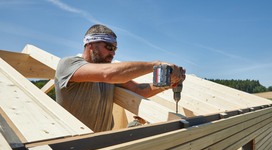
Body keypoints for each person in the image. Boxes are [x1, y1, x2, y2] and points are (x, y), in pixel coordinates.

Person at [55, 24, 185, 132]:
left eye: (115, 48)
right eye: (109, 47)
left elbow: (138, 90)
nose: (113, 53)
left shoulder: (109, 76)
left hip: (102, 145)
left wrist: (168, 82)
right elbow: (108, 74)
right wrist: (156, 65)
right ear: (91, 44)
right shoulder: (68, 64)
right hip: (71, 146)